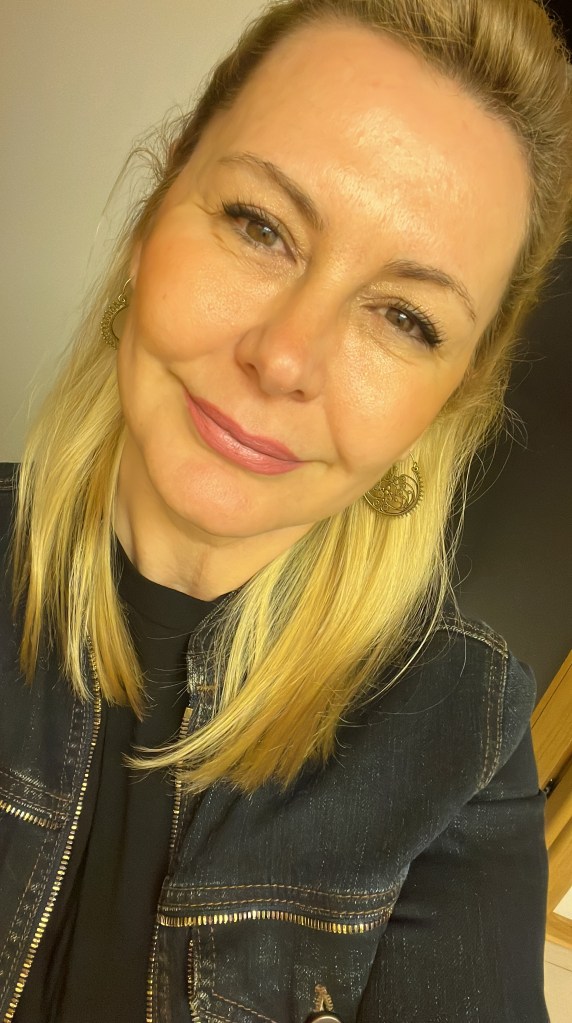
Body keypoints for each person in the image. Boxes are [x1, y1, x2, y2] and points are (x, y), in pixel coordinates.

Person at [1, 0, 570, 1019]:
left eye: (405, 318)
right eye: (259, 226)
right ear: (154, 211)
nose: (284, 357)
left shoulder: (460, 739)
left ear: (452, 398)